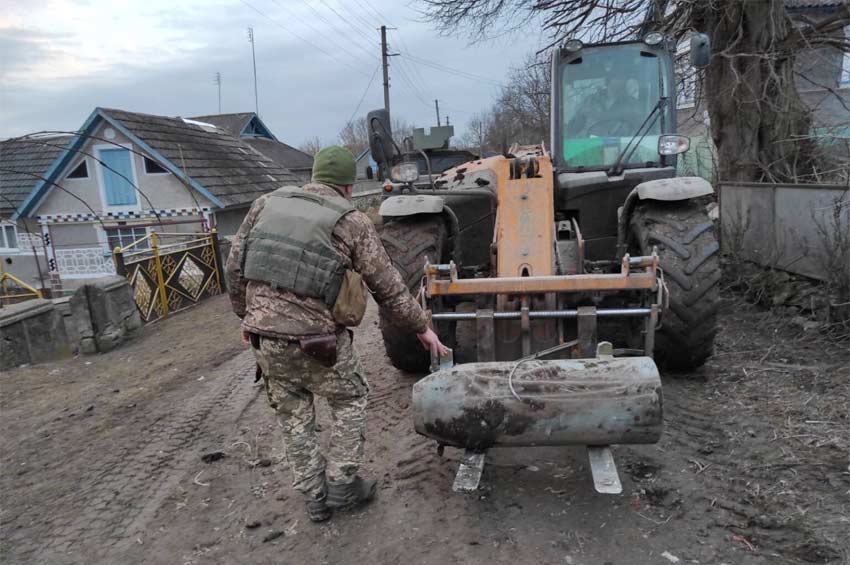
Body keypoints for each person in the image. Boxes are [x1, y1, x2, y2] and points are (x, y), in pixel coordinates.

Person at [225, 146, 448, 523]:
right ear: (348, 187)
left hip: (266, 339)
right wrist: (421, 327)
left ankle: (314, 496)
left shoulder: (265, 204)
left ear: (313, 177)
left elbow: (235, 268)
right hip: (319, 342)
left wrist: (246, 317)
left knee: (292, 413)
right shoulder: (353, 220)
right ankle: (343, 484)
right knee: (350, 399)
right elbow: (389, 287)